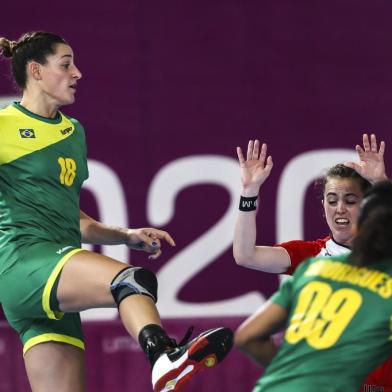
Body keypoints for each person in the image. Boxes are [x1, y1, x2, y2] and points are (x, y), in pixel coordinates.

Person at [0, 31, 233, 392]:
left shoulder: (72, 132)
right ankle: (162, 356)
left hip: (52, 279)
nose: (77, 73)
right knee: (131, 281)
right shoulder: (4, 127)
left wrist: (126, 236)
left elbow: (74, 219)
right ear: (35, 71)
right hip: (25, 263)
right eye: (65, 64)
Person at [233, 137, 391, 390]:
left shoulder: (386, 262)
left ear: (368, 207)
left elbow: (249, 337)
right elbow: (245, 255)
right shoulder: (310, 258)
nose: (340, 209)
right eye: (332, 200)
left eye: (350, 201)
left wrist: (381, 185)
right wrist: (249, 192)